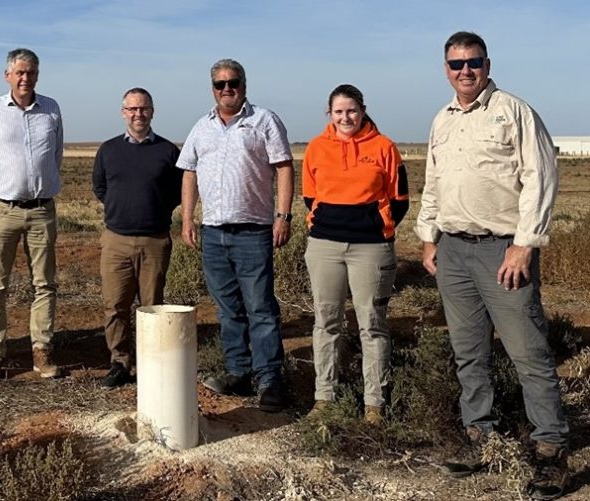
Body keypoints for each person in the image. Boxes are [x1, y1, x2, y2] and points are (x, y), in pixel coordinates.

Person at [415, 31, 568, 499]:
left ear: (486, 63)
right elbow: (435, 182)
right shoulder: (442, 120)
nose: (465, 71)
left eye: (473, 62)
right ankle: (481, 439)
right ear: (445, 69)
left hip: (503, 250)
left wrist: (524, 246)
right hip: (454, 250)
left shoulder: (513, 111)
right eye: (456, 64)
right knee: (469, 352)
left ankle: (550, 452)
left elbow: (540, 178)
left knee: (528, 352)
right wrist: (427, 237)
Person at [178, 58, 294, 412]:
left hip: (253, 231)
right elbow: (189, 173)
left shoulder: (264, 121)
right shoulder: (202, 127)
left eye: (234, 82)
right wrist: (187, 219)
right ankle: (238, 371)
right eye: (220, 84)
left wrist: (283, 216)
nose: (228, 89)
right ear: (212, 88)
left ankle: (270, 379)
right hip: (213, 232)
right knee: (228, 309)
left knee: (260, 308)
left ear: (244, 84)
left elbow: (284, 167)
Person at [301, 84, 409, 424]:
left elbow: (399, 199)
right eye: (338, 112)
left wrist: (373, 225)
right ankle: (324, 397)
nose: (345, 117)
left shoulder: (384, 147)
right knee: (326, 322)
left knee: (372, 325)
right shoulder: (317, 148)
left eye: (351, 110)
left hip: (371, 248)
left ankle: (374, 403)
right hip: (325, 247)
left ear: (362, 110)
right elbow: (309, 197)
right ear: (329, 114)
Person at [0, 48, 64, 383]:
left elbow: (56, 155)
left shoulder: (51, 109)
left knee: (44, 284)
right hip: (4, 210)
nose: (25, 78)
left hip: (42, 210)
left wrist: (37, 185)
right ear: (8, 75)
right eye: (20, 72)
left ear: (37, 75)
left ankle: (42, 351)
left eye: (31, 72)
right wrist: (7, 185)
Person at [93, 87, 182, 389]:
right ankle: (120, 362)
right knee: (115, 305)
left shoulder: (169, 151)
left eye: (143, 108)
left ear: (152, 111)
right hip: (116, 239)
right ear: (123, 112)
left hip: (155, 241)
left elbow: (176, 192)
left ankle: (151, 363)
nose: (138, 114)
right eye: (132, 109)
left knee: (152, 307)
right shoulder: (108, 150)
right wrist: (124, 209)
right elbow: (100, 187)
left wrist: (153, 210)